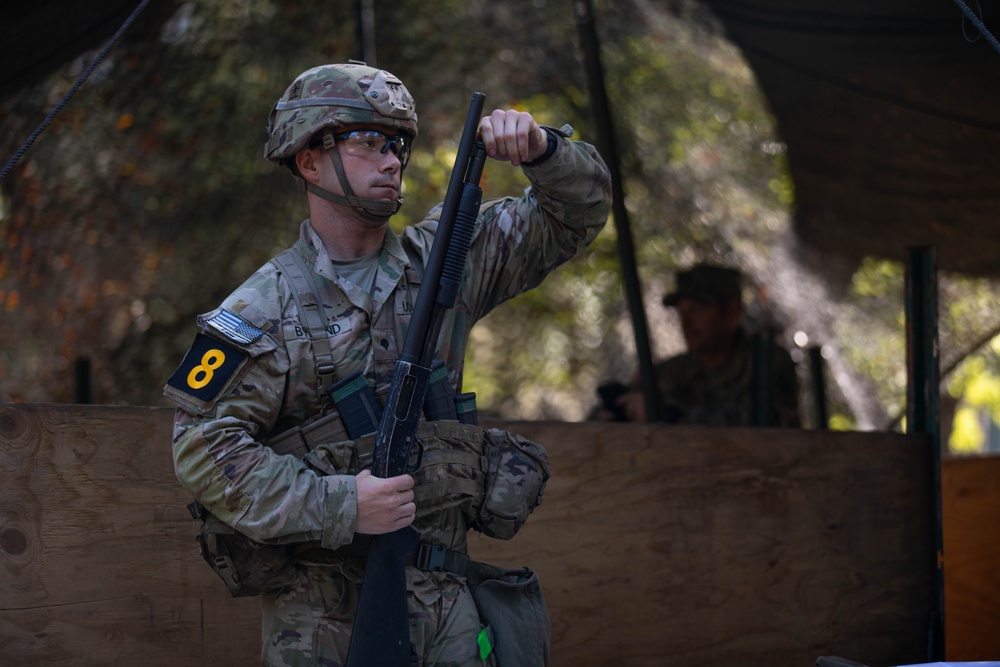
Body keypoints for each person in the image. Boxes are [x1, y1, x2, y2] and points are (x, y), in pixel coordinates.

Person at [163, 62, 611, 666]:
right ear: (308, 159)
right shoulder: (260, 308)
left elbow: (575, 214)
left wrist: (544, 150)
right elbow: (202, 446)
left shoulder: (444, 259)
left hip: (448, 602)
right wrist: (342, 504)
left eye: (398, 143)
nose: (393, 159)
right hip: (325, 618)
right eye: (369, 141)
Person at [603, 263, 800, 427]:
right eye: (681, 312)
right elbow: (607, 414)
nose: (686, 323)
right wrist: (623, 410)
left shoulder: (766, 363)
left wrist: (665, 413)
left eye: (697, 310)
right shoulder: (672, 371)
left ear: (731, 312)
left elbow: (761, 423)